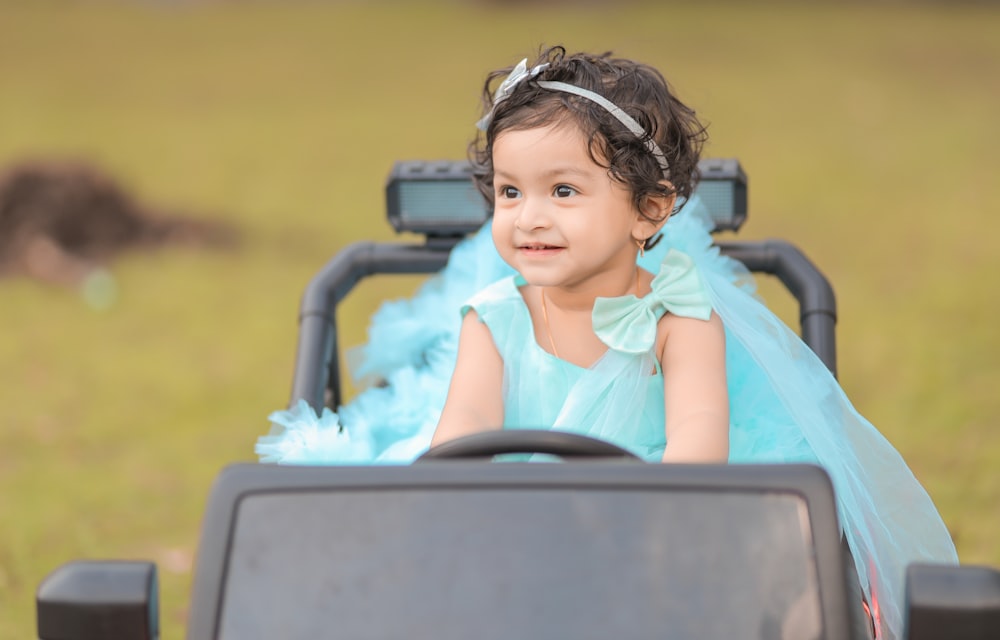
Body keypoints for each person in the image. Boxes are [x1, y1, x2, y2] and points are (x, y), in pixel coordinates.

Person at [257, 47, 957, 638]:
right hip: (519, 513)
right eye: (508, 193)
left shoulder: (679, 317)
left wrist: (635, 534)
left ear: (649, 208)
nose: (528, 217)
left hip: (656, 516)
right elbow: (462, 433)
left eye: (563, 192)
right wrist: (460, 516)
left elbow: (696, 444)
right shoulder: (493, 317)